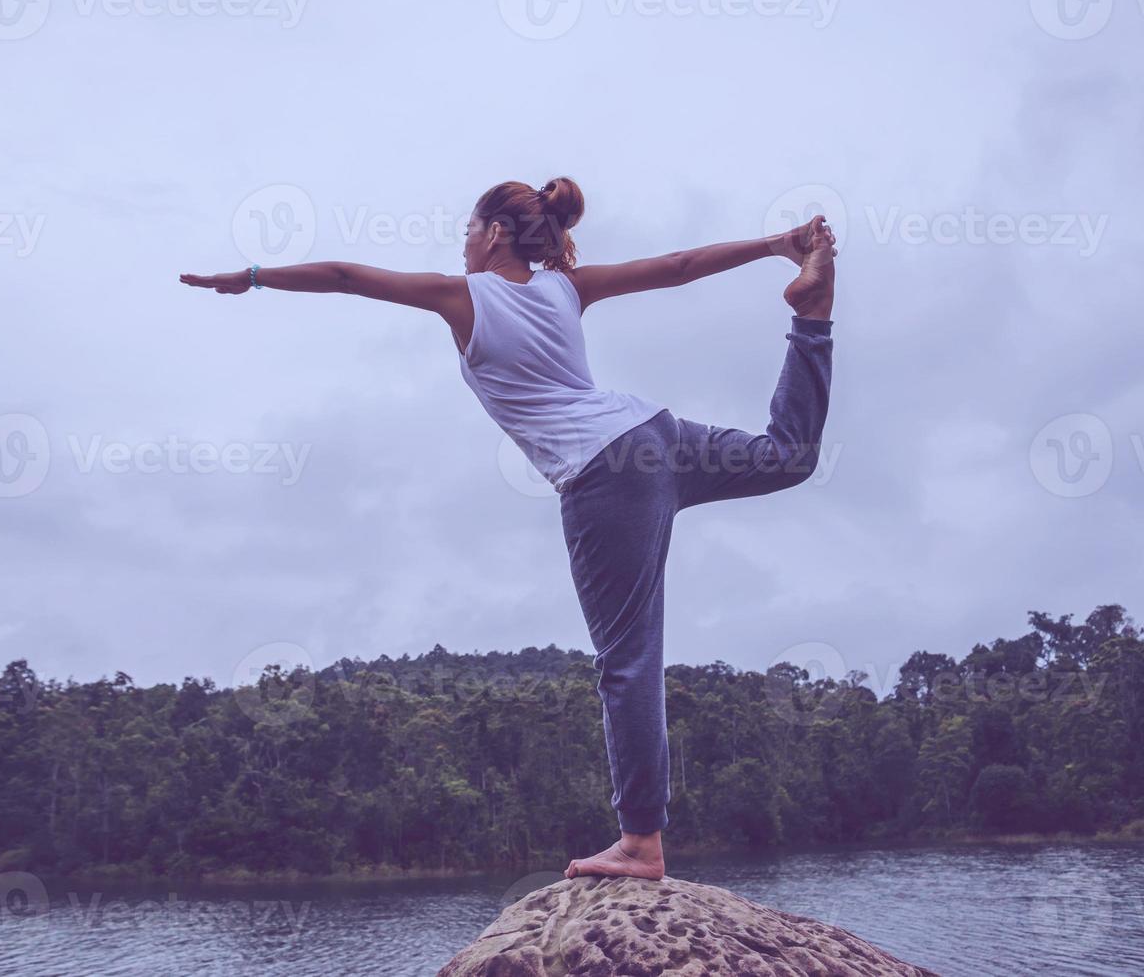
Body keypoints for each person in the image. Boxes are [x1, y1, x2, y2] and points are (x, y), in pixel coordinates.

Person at [180, 177, 838, 880]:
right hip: (654, 434)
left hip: (602, 474)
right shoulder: (567, 289)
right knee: (788, 457)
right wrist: (777, 246)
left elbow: (346, 276)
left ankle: (642, 844)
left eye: (467, 228)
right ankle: (813, 319)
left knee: (628, 662)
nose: (460, 241)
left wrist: (251, 277)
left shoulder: (463, 297)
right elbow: (677, 267)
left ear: (494, 233)